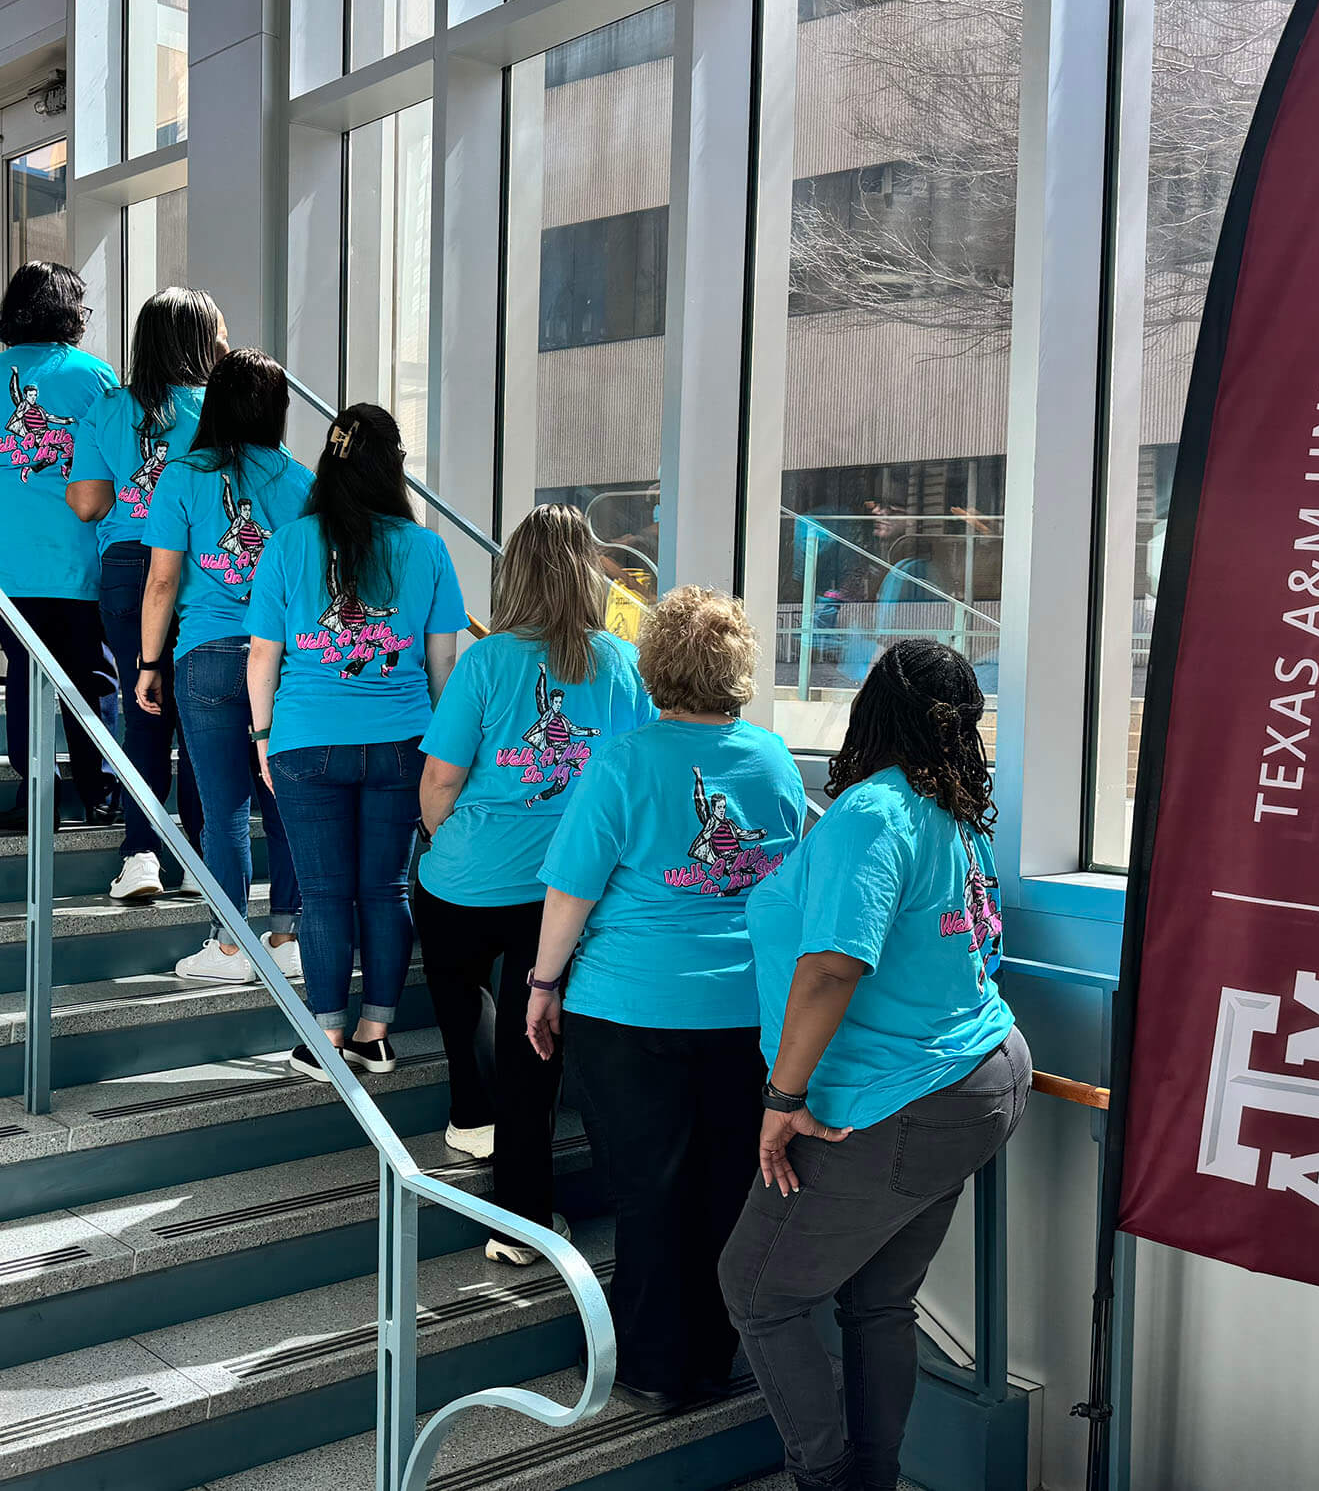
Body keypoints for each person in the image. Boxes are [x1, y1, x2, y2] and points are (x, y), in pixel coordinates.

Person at [719, 639, 1029, 1491]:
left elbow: (832, 967)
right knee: (878, 1303)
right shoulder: (951, 811)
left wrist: (781, 1097)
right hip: (977, 1074)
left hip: (901, 1098)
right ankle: (871, 1480)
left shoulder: (874, 813)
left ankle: (827, 1482)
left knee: (755, 1289)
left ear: (872, 714)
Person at [524, 586, 804, 1412]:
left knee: (647, 1190)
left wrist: (543, 985)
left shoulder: (622, 760)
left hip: (630, 1010)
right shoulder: (775, 759)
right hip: (745, 1014)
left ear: (656, 668)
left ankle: (650, 1365)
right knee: (726, 1186)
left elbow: (571, 891)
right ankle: (717, 1358)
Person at [416, 504, 655, 1263]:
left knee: (458, 992)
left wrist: (444, 837)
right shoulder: (618, 664)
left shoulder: (487, 662)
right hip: (564, 895)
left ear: (512, 571)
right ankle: (520, 1220)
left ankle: (466, 1110)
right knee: (534, 1050)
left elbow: (438, 781)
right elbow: (640, 771)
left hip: (463, 880)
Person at [247, 405, 467, 1082]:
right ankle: (376, 1034)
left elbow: (261, 656)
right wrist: (442, 747)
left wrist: (262, 735)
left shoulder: (288, 543)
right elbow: (443, 667)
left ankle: (324, 1038)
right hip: (402, 742)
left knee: (322, 893)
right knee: (386, 890)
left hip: (306, 742)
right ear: (393, 467)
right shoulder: (426, 548)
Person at [137, 348, 312, 983]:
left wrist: (149, 660)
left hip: (205, 656)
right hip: (286, 663)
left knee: (222, 805)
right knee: (284, 799)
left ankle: (231, 946)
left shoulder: (182, 476)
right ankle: (289, 935)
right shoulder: (301, 482)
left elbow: (161, 581)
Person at [67, 287, 225, 899]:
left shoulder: (109, 406)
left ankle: (140, 856)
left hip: (129, 568)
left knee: (144, 713)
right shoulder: (218, 409)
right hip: (203, 569)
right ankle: (206, 858)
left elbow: (87, 503)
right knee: (204, 723)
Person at [0, 262, 122, 828]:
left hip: (12, 552)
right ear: (72, 312)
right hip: (80, 549)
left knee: (25, 675)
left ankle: (36, 803)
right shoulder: (97, 377)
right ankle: (99, 794)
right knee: (92, 675)